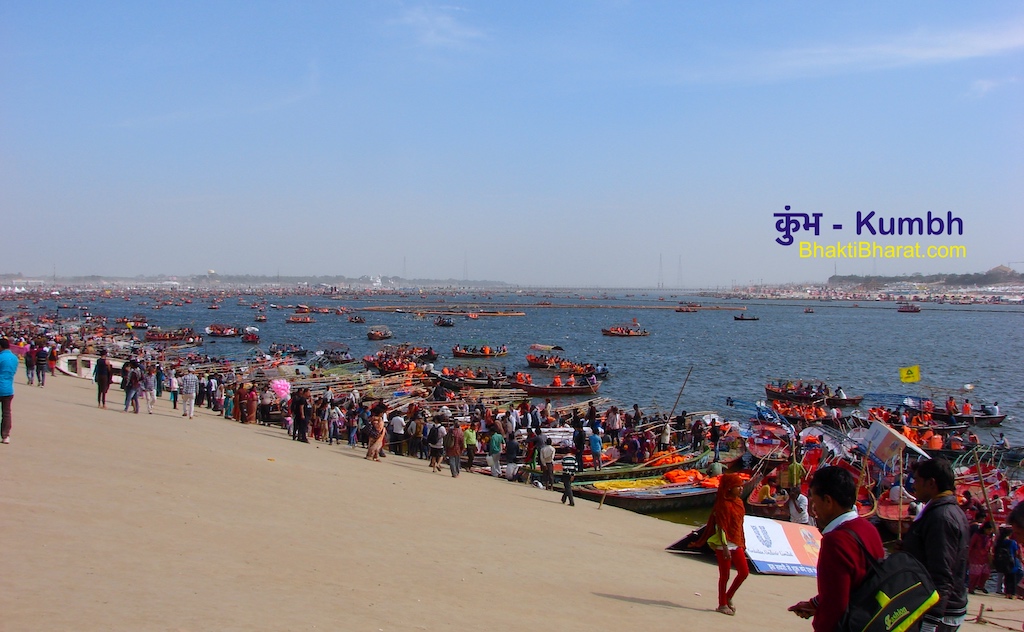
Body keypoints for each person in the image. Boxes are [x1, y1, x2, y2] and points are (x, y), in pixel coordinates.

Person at [788, 466, 885, 631]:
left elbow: (835, 604)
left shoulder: (835, 541)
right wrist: (815, 603)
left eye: (815, 500)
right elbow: (856, 583)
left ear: (828, 501)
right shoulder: (867, 528)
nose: (813, 508)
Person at [902, 458, 969, 632]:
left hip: (938, 612)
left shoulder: (941, 518)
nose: (913, 485)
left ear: (931, 483)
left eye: (916, 480)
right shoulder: (945, 511)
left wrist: (930, 623)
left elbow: (941, 573)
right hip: (939, 604)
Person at [692, 473, 749, 616]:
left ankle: (728, 596)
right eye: (738, 487)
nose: (741, 489)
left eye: (742, 486)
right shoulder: (723, 504)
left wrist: (742, 542)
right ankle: (722, 604)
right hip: (723, 544)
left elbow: (739, 525)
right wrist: (724, 547)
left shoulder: (739, 503)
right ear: (730, 488)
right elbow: (721, 527)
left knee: (744, 572)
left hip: (736, 542)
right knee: (725, 576)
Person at [967, 521, 995, 594]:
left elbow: (991, 546)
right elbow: (971, 545)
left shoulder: (990, 537)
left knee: (986, 573)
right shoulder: (977, 535)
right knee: (975, 574)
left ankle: (981, 586)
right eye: (988, 530)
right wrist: (967, 555)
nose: (989, 531)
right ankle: (971, 587)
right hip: (976, 557)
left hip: (985, 558)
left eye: (991, 530)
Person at [0, 338, 18, 444]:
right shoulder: (14, 358)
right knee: (6, 413)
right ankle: (5, 435)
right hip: (9, 388)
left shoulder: (1, 357)